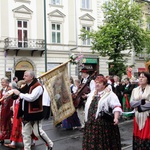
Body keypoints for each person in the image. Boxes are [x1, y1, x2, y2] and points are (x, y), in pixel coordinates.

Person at [13, 70, 53, 150]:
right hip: (26, 114)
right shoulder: (26, 85)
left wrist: (20, 94)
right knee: (25, 134)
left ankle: (50, 144)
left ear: (31, 77)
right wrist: (12, 93)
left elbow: (31, 98)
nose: (23, 77)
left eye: (26, 75)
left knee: (38, 133)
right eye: (24, 75)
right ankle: (27, 148)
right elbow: (19, 92)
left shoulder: (38, 86)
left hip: (35, 114)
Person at [83, 76, 122, 150]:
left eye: (99, 83)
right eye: (96, 83)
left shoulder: (110, 94)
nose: (97, 84)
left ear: (104, 85)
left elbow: (117, 107)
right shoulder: (92, 94)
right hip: (90, 125)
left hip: (103, 126)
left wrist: (116, 118)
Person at [130, 72, 150, 149]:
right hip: (137, 116)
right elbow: (132, 103)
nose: (140, 78)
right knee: (138, 134)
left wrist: (141, 107)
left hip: (147, 116)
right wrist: (141, 102)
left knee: (146, 134)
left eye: (143, 77)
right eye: (140, 77)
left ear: (147, 79)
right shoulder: (135, 90)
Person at [0, 77, 13, 145]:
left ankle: (11, 139)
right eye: (1, 82)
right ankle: (2, 138)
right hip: (3, 109)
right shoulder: (2, 90)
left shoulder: (10, 89)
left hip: (9, 109)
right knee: (3, 123)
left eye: (3, 82)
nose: (2, 83)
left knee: (10, 123)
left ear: (7, 83)